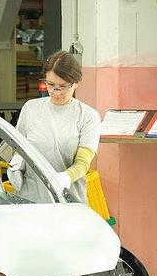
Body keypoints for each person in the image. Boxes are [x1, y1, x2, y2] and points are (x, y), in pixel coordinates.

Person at [8, 50, 100, 204]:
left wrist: (65, 177)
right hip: (30, 200)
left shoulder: (88, 116)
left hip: (67, 202)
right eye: (50, 85)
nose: (56, 92)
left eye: (63, 86)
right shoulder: (30, 108)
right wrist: (17, 162)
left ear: (77, 82)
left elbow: (83, 163)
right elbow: (18, 147)